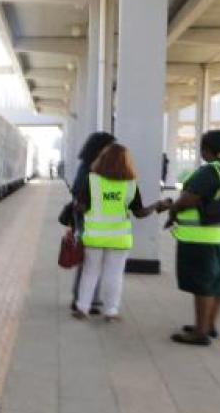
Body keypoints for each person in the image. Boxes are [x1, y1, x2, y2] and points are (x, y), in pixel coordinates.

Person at [72, 143, 169, 321]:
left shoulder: (91, 180)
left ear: (102, 160)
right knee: (114, 274)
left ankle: (82, 308)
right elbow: (139, 213)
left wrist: (83, 210)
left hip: (94, 237)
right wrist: (157, 206)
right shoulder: (130, 185)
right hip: (119, 238)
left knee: (90, 272)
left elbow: (81, 207)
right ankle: (111, 311)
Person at [164, 130, 220, 346]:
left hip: (200, 236)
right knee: (216, 283)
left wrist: (173, 209)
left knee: (202, 285)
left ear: (207, 150)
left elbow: (189, 198)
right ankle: (209, 324)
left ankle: (200, 332)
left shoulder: (210, 170)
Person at [68, 131, 117, 315]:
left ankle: (89, 299)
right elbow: (78, 192)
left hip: (98, 220)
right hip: (87, 220)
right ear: (100, 148)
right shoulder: (88, 167)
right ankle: (81, 299)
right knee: (89, 260)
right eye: (109, 147)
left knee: (94, 261)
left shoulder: (97, 166)